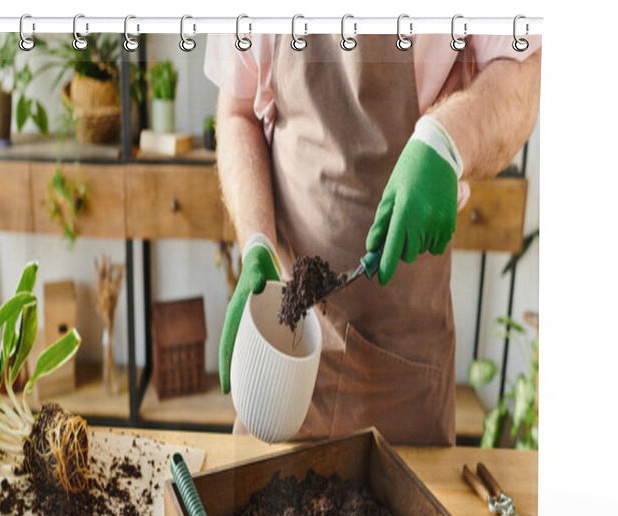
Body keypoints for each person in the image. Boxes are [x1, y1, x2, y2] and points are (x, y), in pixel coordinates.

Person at [204, 34, 541, 445]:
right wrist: (256, 240)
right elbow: (238, 111)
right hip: (288, 343)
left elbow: (523, 72)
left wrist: (447, 139)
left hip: (405, 360)